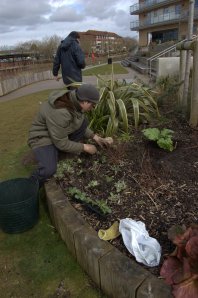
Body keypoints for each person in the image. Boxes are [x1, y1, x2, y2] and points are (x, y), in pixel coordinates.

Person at [28, 84, 112, 186]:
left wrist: (95, 137)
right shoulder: (61, 112)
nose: (93, 108)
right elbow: (60, 142)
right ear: (85, 101)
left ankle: (57, 155)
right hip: (42, 138)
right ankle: (29, 185)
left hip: (56, 133)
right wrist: (85, 147)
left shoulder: (74, 101)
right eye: (93, 105)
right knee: (48, 170)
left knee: (84, 121)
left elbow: (77, 124)